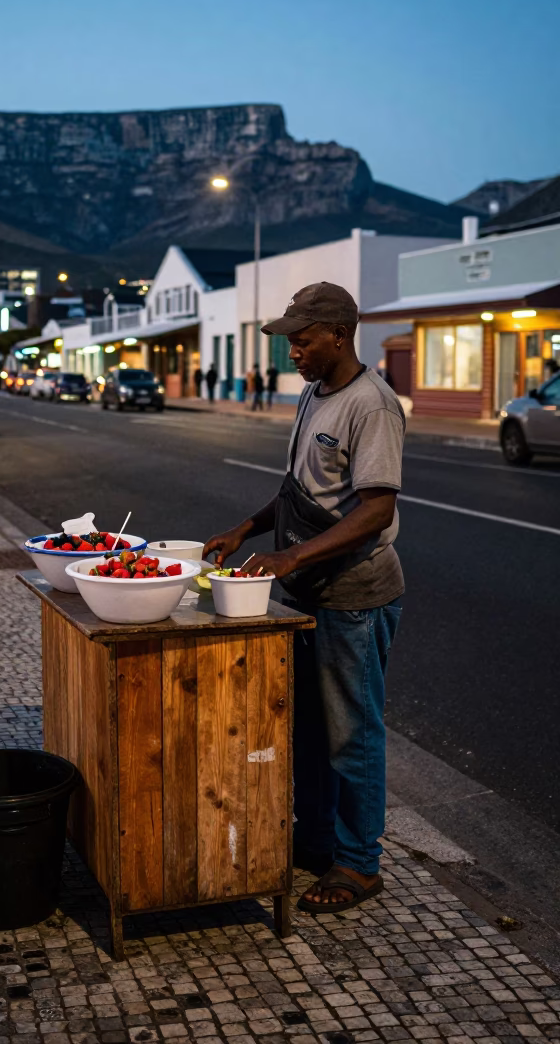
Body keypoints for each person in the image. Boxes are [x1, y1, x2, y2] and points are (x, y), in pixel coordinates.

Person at [203, 282, 404, 916]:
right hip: (309, 593)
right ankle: (317, 841)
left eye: (303, 338)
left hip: (354, 594)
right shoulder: (316, 393)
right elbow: (301, 490)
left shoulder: (371, 405)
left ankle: (358, 864)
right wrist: (246, 528)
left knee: (352, 733)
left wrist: (289, 556)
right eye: (290, 339)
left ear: (339, 334)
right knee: (311, 731)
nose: (293, 351)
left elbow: (376, 511)